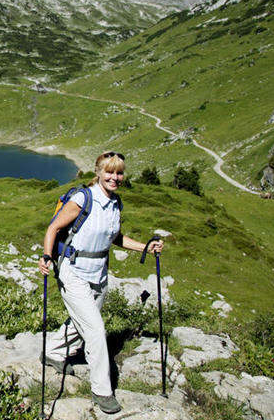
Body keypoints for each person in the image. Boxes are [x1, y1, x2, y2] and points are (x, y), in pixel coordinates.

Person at [38, 151, 163, 414]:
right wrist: (47, 256)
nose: (115, 177)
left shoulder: (116, 203)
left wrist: (145, 247)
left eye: (119, 173)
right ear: (98, 172)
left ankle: (53, 352)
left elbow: (115, 237)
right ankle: (102, 391)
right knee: (95, 330)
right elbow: (53, 228)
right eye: (109, 172)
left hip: (99, 273)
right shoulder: (83, 199)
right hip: (73, 271)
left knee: (83, 320)